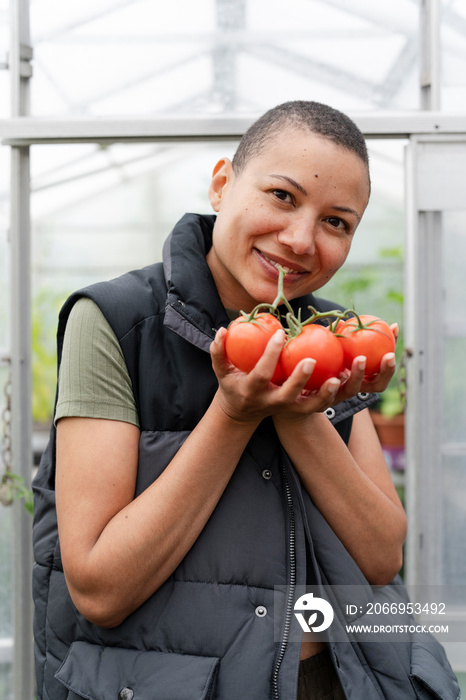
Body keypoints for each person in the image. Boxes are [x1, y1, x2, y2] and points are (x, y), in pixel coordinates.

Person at [32, 101, 459, 700]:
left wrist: (300, 407)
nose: (300, 239)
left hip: (335, 679)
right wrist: (235, 413)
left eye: (337, 222)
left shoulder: (331, 338)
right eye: (282, 196)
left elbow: (381, 555)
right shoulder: (115, 320)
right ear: (222, 184)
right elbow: (100, 589)